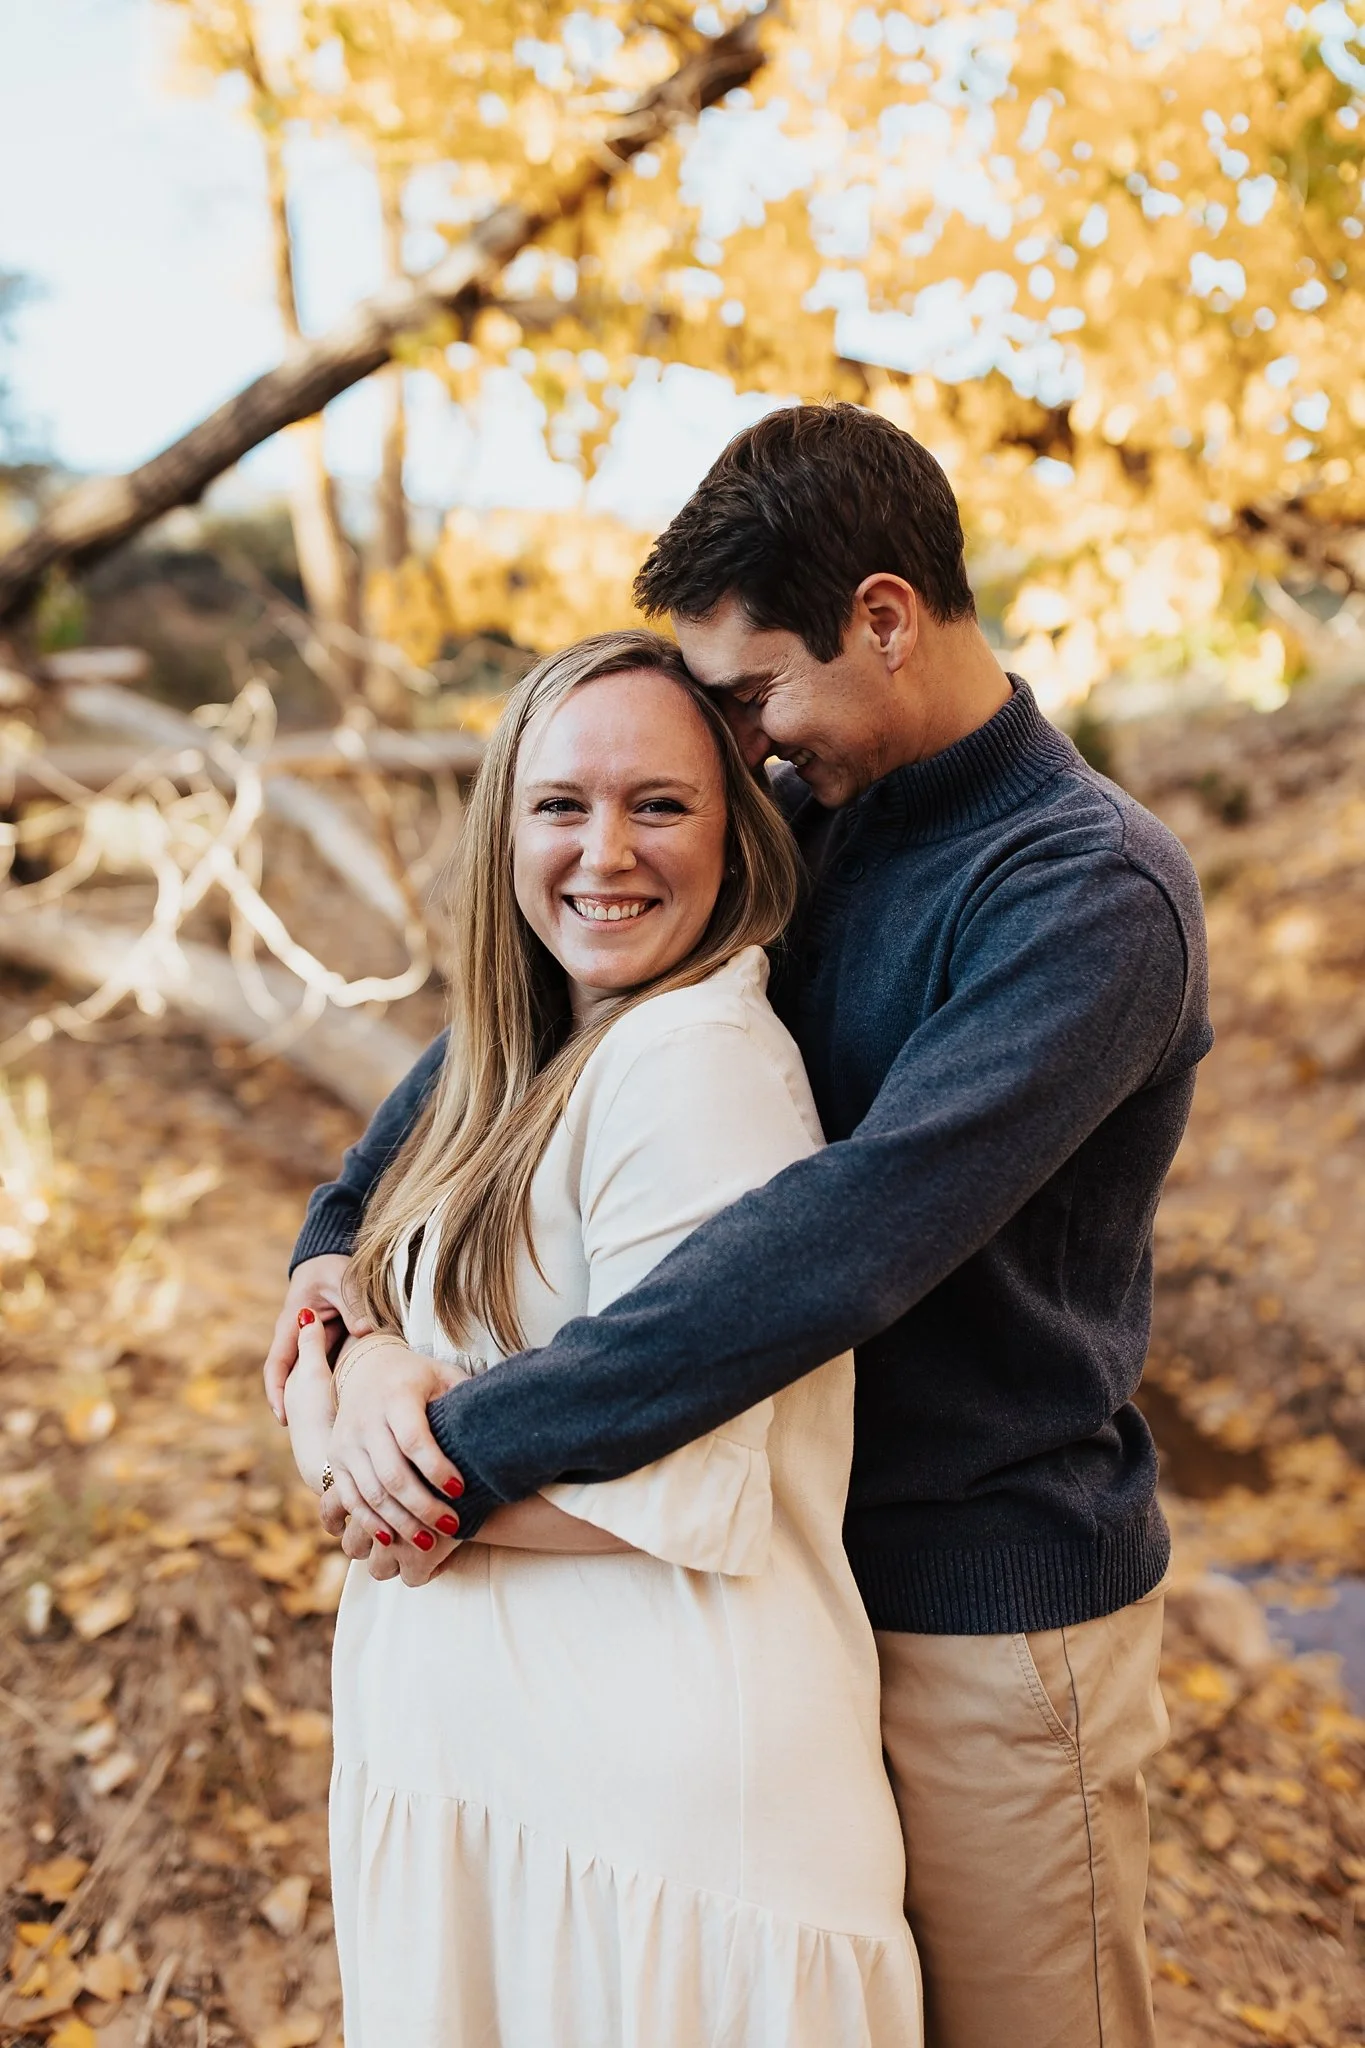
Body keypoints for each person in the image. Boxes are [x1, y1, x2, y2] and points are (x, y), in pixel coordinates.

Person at [268, 403, 1212, 2048]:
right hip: (780, 1584)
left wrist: (452, 1457)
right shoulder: (814, 810)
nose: (741, 740)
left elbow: (842, 1242)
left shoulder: (1085, 893)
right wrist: (334, 1277)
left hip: (984, 1611)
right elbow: (508, 1045)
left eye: (753, 692)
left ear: (885, 619)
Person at [282, 629, 923, 2046]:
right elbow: (378, 1311)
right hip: (513, 1799)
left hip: (660, 1839)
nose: (605, 851)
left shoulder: (694, 1068)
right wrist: (372, 1366)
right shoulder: (520, 1059)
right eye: (562, 805)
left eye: (660, 804)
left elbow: (674, 1484)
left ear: (735, 832)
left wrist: (375, 1481)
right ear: (503, 829)